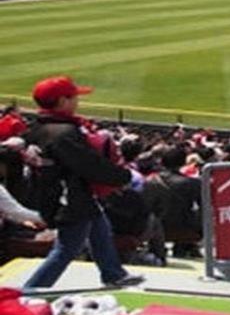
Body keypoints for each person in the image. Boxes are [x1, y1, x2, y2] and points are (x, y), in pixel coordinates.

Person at [23, 76, 143, 289]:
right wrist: (123, 177)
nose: (77, 101)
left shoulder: (38, 128)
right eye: (74, 97)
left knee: (100, 228)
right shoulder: (63, 134)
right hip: (69, 199)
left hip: (63, 194)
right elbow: (89, 165)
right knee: (66, 249)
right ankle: (29, 291)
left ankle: (113, 273)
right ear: (61, 101)